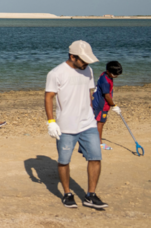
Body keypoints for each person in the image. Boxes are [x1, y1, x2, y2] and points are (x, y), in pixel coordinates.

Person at [45, 40, 108, 209]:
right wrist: (51, 122)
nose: (86, 63)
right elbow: (48, 97)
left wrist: (91, 113)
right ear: (72, 56)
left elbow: (88, 93)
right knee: (64, 161)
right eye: (83, 60)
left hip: (88, 124)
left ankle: (91, 195)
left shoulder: (88, 70)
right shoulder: (56, 73)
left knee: (96, 158)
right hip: (66, 126)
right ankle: (67, 193)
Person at [92, 61, 123, 150]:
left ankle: (96, 140)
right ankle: (99, 143)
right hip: (101, 105)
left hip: (101, 103)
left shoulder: (105, 75)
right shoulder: (105, 81)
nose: (116, 76)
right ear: (108, 71)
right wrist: (114, 105)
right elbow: (107, 95)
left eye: (117, 75)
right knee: (100, 122)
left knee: (101, 121)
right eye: (114, 74)